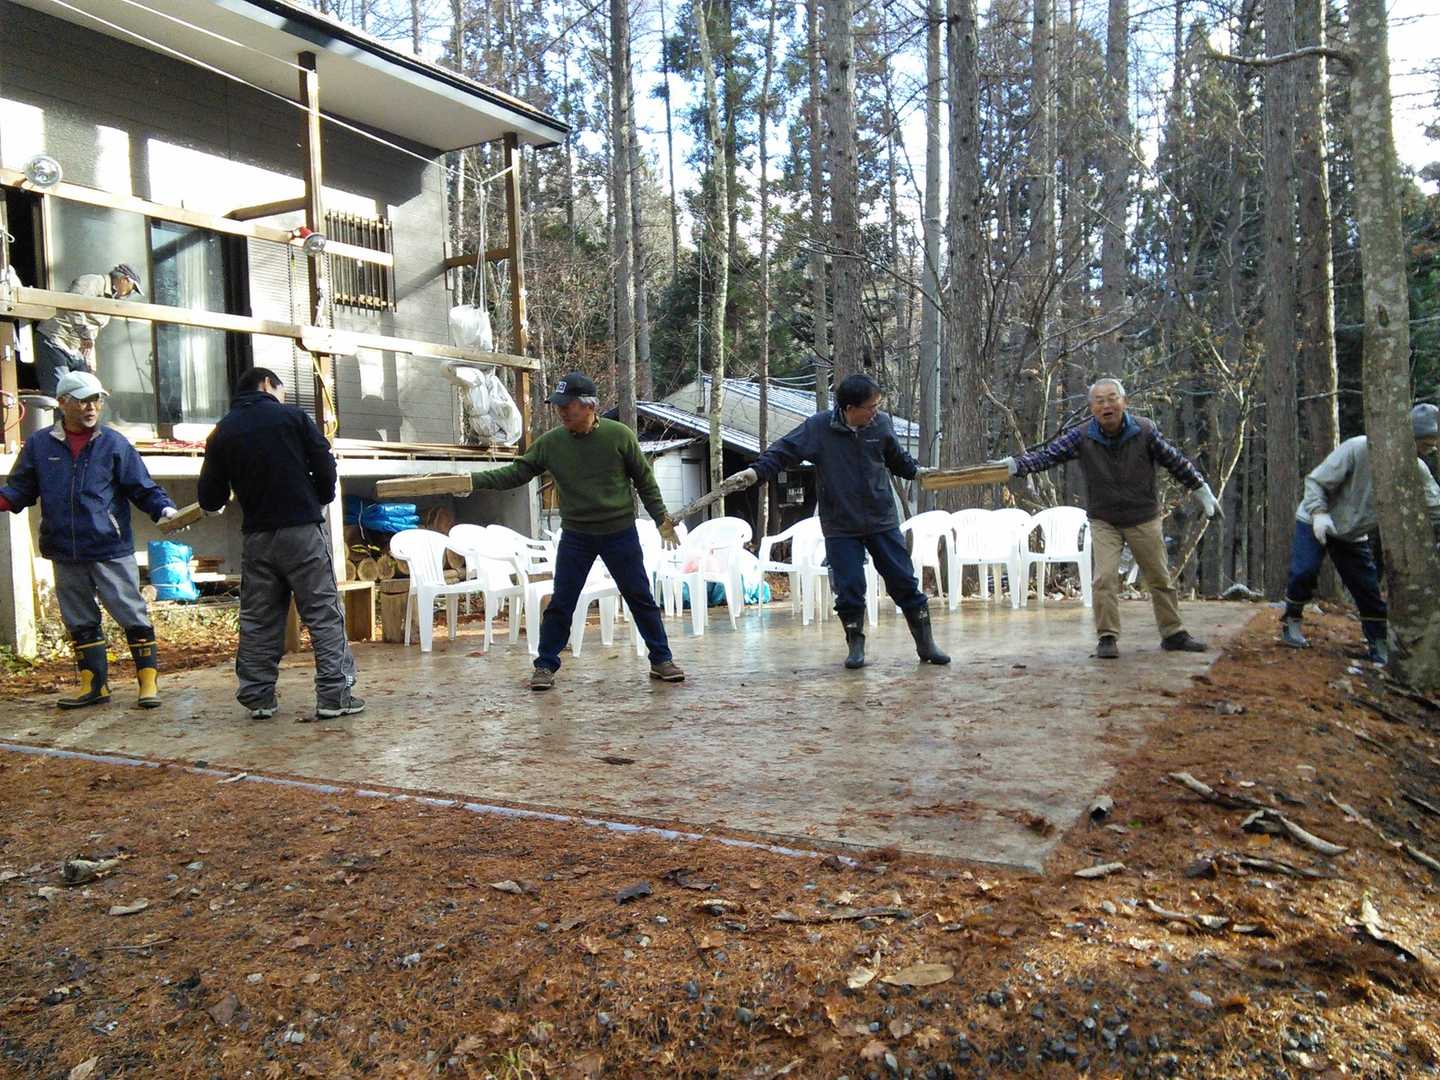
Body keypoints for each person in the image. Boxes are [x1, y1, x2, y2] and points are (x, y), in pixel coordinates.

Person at [468, 371, 685, 691]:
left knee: (639, 596)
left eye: (567, 405)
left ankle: (661, 659)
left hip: (619, 532)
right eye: (558, 405)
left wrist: (660, 519)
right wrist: (471, 481)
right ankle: (545, 664)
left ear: (589, 406)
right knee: (562, 601)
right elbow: (515, 474)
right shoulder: (551, 443)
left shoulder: (619, 436)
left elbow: (645, 481)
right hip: (577, 536)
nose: (561, 411)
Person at [731, 372, 950, 670]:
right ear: (849, 408)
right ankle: (855, 646)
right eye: (870, 407)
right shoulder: (819, 428)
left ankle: (926, 645)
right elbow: (783, 452)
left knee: (904, 581)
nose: (875, 412)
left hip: (881, 519)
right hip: (840, 524)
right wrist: (755, 472)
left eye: (877, 405)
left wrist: (918, 472)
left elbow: (897, 459)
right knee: (849, 588)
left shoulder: (881, 424)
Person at [994, 377, 1220, 659]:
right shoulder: (1082, 436)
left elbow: (1175, 461)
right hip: (1104, 520)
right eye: (1099, 401)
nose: (1107, 405)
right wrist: (1016, 465)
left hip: (1143, 516)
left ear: (1124, 402)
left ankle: (1174, 633)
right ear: (1092, 408)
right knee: (1104, 579)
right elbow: (1048, 456)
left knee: (1160, 577)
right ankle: (1107, 637)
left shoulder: (1144, 431)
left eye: (1112, 398)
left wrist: (1201, 490)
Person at [0, 370, 178, 708]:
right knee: (79, 619)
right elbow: (19, 490)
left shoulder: (114, 443)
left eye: (96, 400)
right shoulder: (39, 445)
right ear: (62, 403)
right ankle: (94, 685)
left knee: (131, 612)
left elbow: (142, 487)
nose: (92, 407)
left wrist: (164, 509)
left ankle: (147, 683)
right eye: (83, 401)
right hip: (64, 549)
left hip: (109, 546)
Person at [198, 368, 362, 720]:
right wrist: (318, 498)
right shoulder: (293, 418)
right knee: (322, 614)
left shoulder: (222, 431)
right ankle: (334, 696)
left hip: (257, 537)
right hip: (302, 531)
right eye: (281, 389)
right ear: (268, 384)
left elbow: (210, 497)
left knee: (259, 619)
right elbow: (325, 465)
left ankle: (258, 698)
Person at [1280, 403, 1440, 663]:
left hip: (1353, 533)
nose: (1427, 451)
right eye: (1424, 444)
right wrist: (1319, 513)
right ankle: (1292, 619)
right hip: (1315, 520)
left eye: (1431, 447)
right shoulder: (1358, 448)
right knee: (1304, 572)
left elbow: (1435, 506)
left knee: (1367, 589)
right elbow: (1316, 481)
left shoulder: (1417, 469)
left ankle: (1378, 640)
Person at [32, 264, 144, 397]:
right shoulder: (92, 281)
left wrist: (90, 358)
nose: (130, 294)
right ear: (124, 279)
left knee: (87, 391)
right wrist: (85, 336)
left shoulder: (110, 298)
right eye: (132, 289)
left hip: (76, 349)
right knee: (60, 394)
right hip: (55, 340)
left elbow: (93, 331)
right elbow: (73, 306)